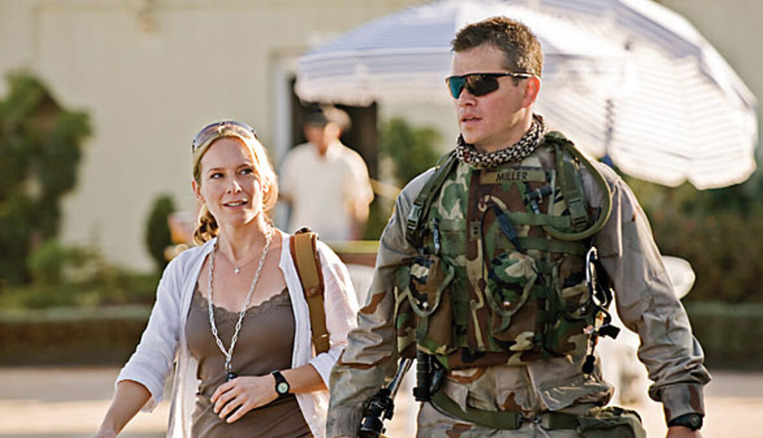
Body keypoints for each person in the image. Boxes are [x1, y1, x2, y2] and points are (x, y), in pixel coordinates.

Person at [327, 17, 710, 438]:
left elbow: (653, 304)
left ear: (528, 88)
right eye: (456, 85)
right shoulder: (424, 199)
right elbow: (375, 332)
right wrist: (343, 428)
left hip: (564, 424)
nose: (464, 99)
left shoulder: (586, 187)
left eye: (481, 83)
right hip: (456, 424)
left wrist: (684, 414)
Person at [94, 120, 359, 438]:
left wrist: (276, 384)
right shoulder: (184, 271)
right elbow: (151, 358)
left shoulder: (310, 259)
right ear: (199, 190)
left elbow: (353, 356)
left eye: (245, 171)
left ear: (265, 182)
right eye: (217, 175)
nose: (234, 186)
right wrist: (108, 428)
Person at [279, 106, 374, 241]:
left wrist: (355, 239)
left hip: (338, 239)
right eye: (314, 127)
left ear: (337, 130)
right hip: (302, 238)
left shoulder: (350, 161)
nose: (319, 132)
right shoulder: (296, 158)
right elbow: (285, 193)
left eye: (324, 127)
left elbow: (359, 204)